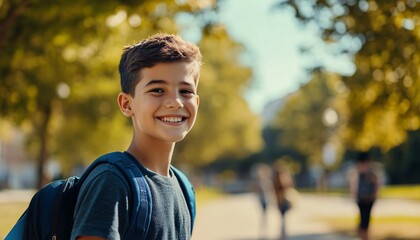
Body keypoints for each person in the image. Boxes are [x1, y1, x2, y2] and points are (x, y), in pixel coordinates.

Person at [71, 33, 202, 240]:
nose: (175, 102)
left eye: (185, 91)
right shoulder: (111, 182)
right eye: (158, 90)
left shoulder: (184, 188)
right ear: (126, 104)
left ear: (196, 102)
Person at [348, 151, 379, 240]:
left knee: (366, 220)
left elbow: (376, 184)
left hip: (369, 200)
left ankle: (365, 236)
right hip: (361, 199)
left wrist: (374, 194)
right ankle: (363, 236)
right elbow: (354, 184)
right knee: (363, 220)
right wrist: (354, 194)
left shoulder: (372, 173)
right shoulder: (357, 173)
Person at [252, 163, 275, 239]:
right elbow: (256, 190)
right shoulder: (259, 181)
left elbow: (271, 190)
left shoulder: (268, 181)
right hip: (261, 199)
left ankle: (266, 230)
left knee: (265, 215)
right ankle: (263, 230)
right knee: (263, 215)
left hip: (267, 199)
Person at [272, 162, 294, 240]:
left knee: (282, 219)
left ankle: (282, 234)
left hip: (279, 202)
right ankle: (283, 234)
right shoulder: (282, 180)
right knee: (283, 219)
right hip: (283, 202)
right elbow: (289, 186)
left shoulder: (275, 181)